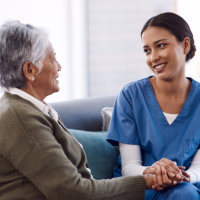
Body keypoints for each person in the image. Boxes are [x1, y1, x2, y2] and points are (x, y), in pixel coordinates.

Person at [0, 20, 157, 200]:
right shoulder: (20, 118)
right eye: (52, 59)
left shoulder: (29, 109)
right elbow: (73, 192)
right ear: (30, 70)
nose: (59, 67)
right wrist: (145, 181)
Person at [107, 12, 200, 199]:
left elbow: (198, 168)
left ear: (185, 45)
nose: (153, 57)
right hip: (142, 187)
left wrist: (182, 177)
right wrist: (156, 172)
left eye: (161, 46)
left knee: (184, 193)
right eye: (147, 50)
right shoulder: (131, 96)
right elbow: (129, 166)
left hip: (188, 186)